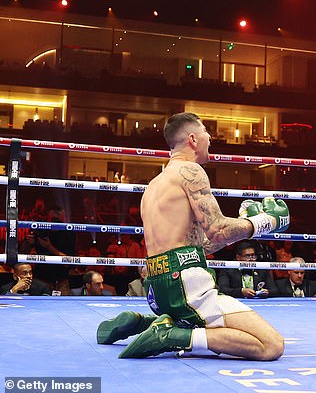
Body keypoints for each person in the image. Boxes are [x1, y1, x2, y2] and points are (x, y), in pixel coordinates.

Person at [97, 112, 287, 361]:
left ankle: (145, 323)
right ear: (193, 139)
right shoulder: (191, 171)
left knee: (207, 325)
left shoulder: (154, 185)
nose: (210, 138)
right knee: (271, 345)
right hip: (187, 286)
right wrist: (263, 222)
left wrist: (243, 226)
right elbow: (217, 228)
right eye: (206, 132)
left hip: (160, 286)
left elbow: (203, 243)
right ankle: (172, 336)